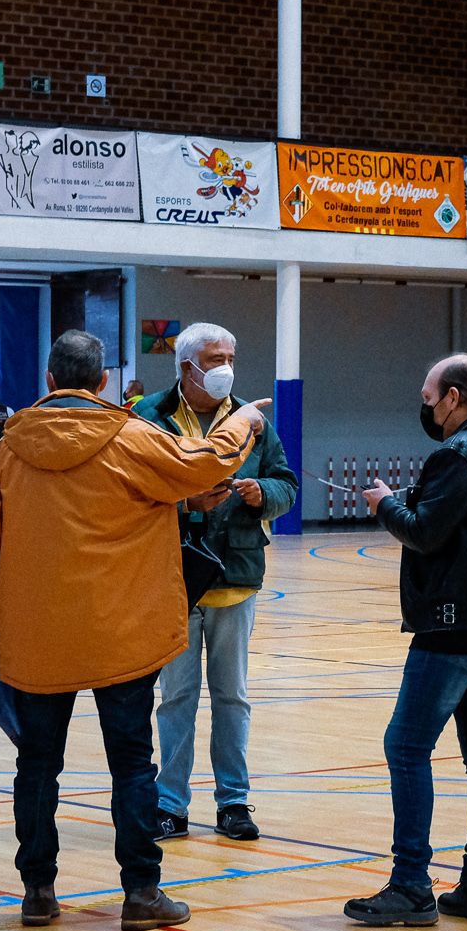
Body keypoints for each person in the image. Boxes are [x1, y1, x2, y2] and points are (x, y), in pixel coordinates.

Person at [0, 329, 266, 931]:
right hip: (123, 634)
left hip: (36, 639)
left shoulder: (8, 451)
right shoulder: (132, 437)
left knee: (37, 767)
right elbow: (203, 464)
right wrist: (244, 422)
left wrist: (1, 625)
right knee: (132, 764)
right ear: (102, 382)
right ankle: (141, 894)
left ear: (49, 381)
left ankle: (38, 893)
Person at [346, 354, 467, 927]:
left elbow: (426, 532)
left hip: (456, 625)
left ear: (454, 397)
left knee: (406, 746)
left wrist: (386, 505)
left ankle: (411, 883)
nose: (425, 405)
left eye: (429, 396)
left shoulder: (460, 453)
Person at [133, 322, 298, 842]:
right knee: (177, 696)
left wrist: (260, 494)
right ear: (187, 367)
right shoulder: (147, 417)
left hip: (235, 578)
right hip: (172, 578)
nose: (226, 365)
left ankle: (233, 801)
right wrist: (185, 502)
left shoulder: (252, 420)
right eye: (214, 357)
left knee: (233, 697)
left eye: (231, 355)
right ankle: (170, 804)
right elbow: (133, 489)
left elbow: (286, 484)